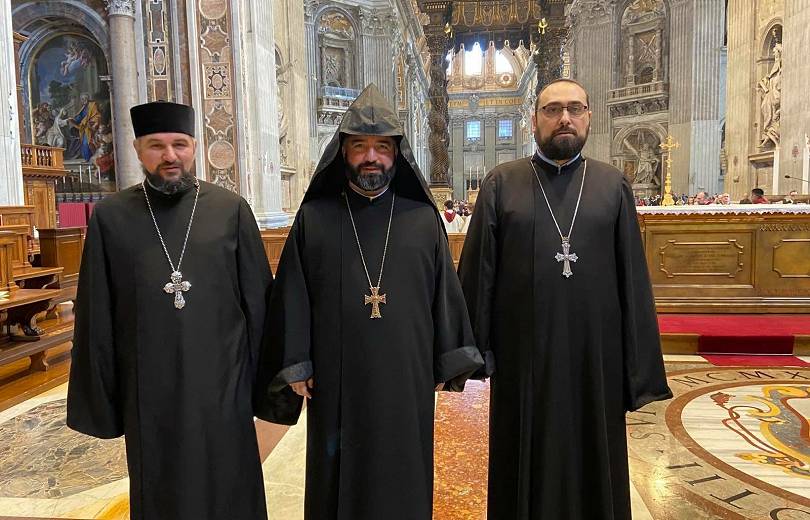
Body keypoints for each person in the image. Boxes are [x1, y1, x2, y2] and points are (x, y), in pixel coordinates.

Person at [253, 84, 483, 520]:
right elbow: (293, 293)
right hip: (337, 377)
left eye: (382, 146)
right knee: (336, 473)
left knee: (404, 474)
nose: (371, 157)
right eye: (360, 146)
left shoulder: (420, 219)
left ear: (397, 154)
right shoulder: (315, 218)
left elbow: (444, 295)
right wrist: (298, 363)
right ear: (343, 152)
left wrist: (444, 360)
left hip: (408, 378)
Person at [458, 78, 671, 520]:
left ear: (589, 116)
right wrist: (474, 355)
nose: (565, 119)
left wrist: (638, 368)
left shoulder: (612, 185)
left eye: (575, 108)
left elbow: (632, 279)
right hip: (523, 363)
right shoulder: (501, 183)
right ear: (534, 119)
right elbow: (479, 274)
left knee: (595, 462)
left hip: (596, 361)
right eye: (552, 110)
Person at [67, 101, 272, 520]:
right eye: (156, 146)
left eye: (179, 144)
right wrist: (104, 399)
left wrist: (267, 386)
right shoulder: (111, 217)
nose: (170, 156)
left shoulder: (230, 210)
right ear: (139, 150)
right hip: (148, 390)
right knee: (161, 492)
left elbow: (259, 304)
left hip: (223, 386)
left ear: (194, 147)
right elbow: (97, 312)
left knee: (230, 485)